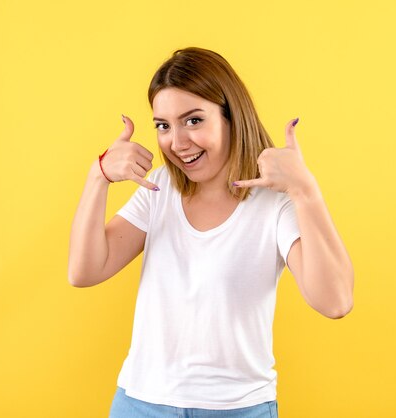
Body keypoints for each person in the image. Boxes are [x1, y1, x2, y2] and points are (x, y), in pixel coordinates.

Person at [68, 47, 354, 418]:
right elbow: (84, 271)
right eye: (163, 126)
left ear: (231, 116)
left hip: (237, 409)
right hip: (140, 404)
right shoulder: (159, 190)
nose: (177, 142)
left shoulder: (274, 203)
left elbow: (335, 302)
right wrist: (99, 176)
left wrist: (305, 190)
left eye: (193, 120)